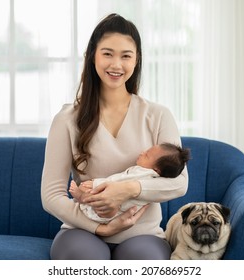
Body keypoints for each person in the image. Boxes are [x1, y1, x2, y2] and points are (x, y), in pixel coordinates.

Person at [41, 13, 189, 260]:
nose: (116, 65)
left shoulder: (158, 115)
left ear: (136, 60)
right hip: (82, 231)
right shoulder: (66, 119)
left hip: (142, 234)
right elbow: (51, 195)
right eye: (107, 53)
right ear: (92, 56)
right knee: (83, 258)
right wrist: (100, 227)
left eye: (126, 56)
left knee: (144, 261)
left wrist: (127, 189)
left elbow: (179, 182)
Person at [69, 143, 190, 223]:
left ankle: (82, 197)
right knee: (110, 208)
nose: (142, 152)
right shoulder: (153, 176)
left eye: (147, 155)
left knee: (95, 195)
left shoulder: (142, 173)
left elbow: (117, 183)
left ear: (156, 169)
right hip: (124, 212)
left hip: (117, 206)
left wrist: (96, 183)